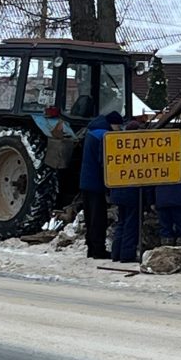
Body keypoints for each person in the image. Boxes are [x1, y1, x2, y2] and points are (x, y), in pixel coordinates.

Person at [80, 110, 123, 258]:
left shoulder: (92, 131)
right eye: (119, 126)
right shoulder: (104, 137)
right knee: (99, 218)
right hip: (96, 182)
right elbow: (104, 162)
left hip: (86, 181)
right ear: (114, 124)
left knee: (90, 217)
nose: (120, 130)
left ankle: (91, 247)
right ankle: (98, 250)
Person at [109, 119, 151, 263]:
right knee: (131, 224)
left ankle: (116, 253)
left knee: (121, 222)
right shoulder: (140, 150)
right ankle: (127, 255)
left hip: (118, 192)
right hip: (133, 193)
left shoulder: (118, 146)